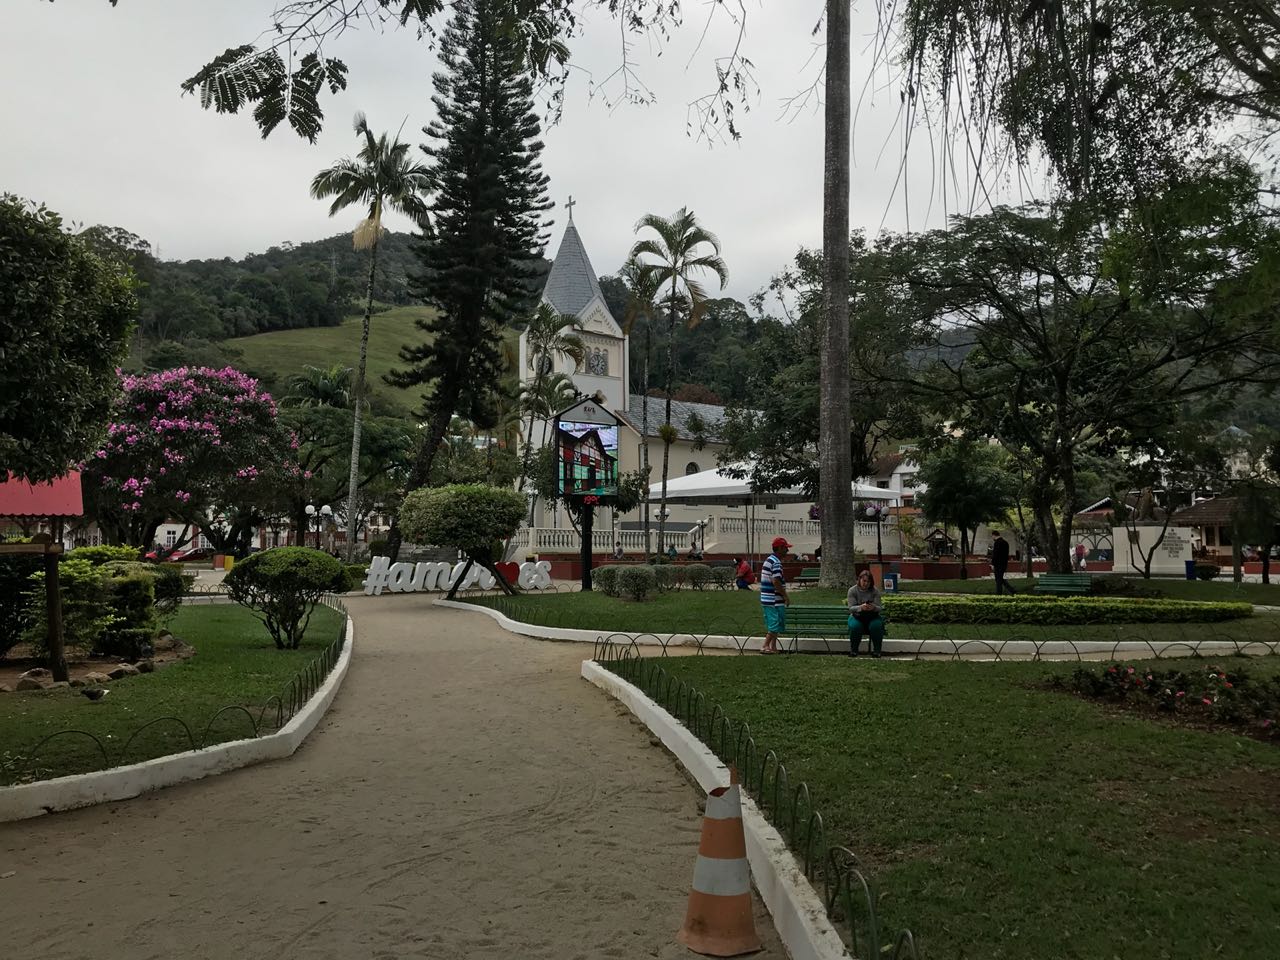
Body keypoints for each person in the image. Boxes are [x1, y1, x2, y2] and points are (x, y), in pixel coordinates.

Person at [759, 536, 791, 654]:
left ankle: (773, 646)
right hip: (773, 599)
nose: (787, 551)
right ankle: (765, 645)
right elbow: (776, 581)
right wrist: (785, 596)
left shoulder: (769, 560)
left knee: (776, 621)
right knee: (774, 623)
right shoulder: (776, 562)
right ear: (779, 548)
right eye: (785, 548)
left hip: (769, 598)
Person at [847, 569, 886, 657]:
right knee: (855, 626)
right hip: (856, 616)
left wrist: (873, 607)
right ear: (859, 580)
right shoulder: (852, 590)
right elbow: (851, 608)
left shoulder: (875, 591)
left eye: (868, 581)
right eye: (864, 581)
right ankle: (854, 650)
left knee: (876, 626)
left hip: (873, 616)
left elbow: (880, 607)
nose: (866, 583)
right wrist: (861, 607)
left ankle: (877, 651)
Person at [991, 530, 1015, 595]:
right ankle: (1011, 590)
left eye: (992, 536)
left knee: (998, 579)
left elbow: (995, 554)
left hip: (998, 564)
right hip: (1004, 564)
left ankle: (999, 593)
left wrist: (992, 564)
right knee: (1000, 578)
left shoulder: (997, 543)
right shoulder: (1006, 543)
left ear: (994, 535)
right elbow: (1006, 555)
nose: (992, 538)